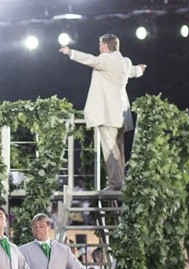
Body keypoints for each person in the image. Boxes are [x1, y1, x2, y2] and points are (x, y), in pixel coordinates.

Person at [60, 34, 146, 191]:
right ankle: (120, 183)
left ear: (106, 47)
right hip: (121, 115)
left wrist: (71, 52)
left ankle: (116, 184)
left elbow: (91, 59)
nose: (99, 48)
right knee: (119, 150)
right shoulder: (125, 61)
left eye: (100, 45)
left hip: (107, 114)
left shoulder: (106, 59)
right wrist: (140, 69)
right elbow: (133, 71)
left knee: (111, 152)